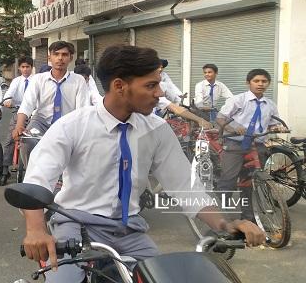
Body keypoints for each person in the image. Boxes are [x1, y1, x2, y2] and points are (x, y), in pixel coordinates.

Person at [21, 45, 265, 283]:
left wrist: (224, 225)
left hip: (129, 230)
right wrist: (36, 230)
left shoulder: (157, 130)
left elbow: (184, 186)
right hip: (76, 226)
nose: (159, 93)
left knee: (161, 277)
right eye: (151, 85)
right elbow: (36, 180)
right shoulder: (72, 126)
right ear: (119, 86)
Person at [217, 68, 287, 221]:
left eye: (264, 81)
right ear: (248, 83)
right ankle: (219, 218)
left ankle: (249, 219)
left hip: (257, 146)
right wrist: (234, 127)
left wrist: (277, 128)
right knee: (228, 180)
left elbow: (272, 125)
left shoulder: (270, 105)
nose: (260, 84)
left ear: (268, 84)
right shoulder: (238, 100)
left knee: (249, 182)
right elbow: (220, 119)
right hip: (235, 145)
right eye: (256, 81)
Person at [13, 41, 90, 168]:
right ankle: (32, 176)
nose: (60, 58)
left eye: (64, 54)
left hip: (67, 124)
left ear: (70, 58)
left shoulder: (79, 80)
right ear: (50, 58)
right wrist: (19, 125)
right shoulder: (38, 79)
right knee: (27, 143)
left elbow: (82, 110)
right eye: (56, 54)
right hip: (41, 122)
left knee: (76, 155)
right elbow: (27, 104)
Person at [2, 56, 34, 182]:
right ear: (19, 68)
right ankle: (5, 169)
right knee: (9, 140)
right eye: (23, 67)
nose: (25, 69)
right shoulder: (16, 81)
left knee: (35, 140)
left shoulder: (37, 80)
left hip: (34, 115)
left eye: (28, 67)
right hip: (18, 112)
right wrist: (8, 100)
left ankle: (34, 169)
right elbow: (9, 93)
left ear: (32, 68)